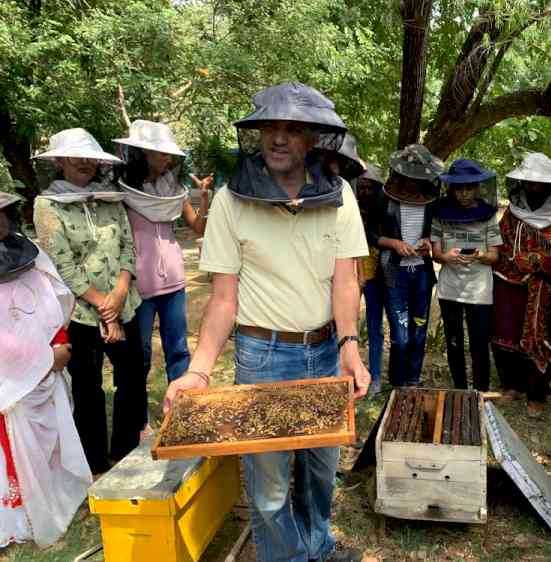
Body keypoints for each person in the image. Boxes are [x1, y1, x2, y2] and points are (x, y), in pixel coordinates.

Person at [162, 82, 370, 562]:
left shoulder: (339, 195)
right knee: (271, 484)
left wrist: (350, 346)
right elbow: (222, 299)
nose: (279, 139)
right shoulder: (233, 203)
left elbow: (345, 283)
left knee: (320, 469)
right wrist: (198, 369)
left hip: (323, 349)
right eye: (269, 128)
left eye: (292, 129)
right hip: (264, 355)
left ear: (312, 139)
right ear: (255, 135)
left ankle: (317, 547)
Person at [32, 128, 147, 477]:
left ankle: (126, 453)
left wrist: (121, 292)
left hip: (125, 305)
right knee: (87, 387)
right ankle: (95, 463)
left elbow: (127, 245)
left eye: (88, 156)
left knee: (131, 379)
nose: (84, 162)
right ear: (60, 161)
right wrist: (101, 303)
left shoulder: (111, 198)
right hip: (80, 314)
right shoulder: (47, 204)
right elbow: (60, 262)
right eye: (75, 156)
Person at [1, 191, 92, 547]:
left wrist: (59, 343)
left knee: (52, 440)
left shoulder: (29, 255)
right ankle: (21, 514)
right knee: (16, 450)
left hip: (48, 370)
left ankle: (58, 498)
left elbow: (53, 304)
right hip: (9, 388)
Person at [114, 120, 213, 390]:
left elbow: (198, 228)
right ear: (144, 153)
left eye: (169, 152)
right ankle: (139, 421)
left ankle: (181, 412)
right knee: (140, 355)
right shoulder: (120, 191)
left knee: (179, 351)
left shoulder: (173, 191)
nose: (167, 157)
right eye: (161, 152)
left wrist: (203, 198)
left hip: (174, 280)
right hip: (138, 285)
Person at [492, 153, 551, 417]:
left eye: (539, 183)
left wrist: (538, 262)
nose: (533, 187)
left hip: (546, 288)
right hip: (510, 282)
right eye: (528, 182)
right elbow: (501, 244)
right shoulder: (512, 213)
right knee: (506, 333)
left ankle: (537, 393)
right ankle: (512, 385)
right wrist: (516, 262)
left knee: (542, 336)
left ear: (550, 185)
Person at [366, 144, 444, 387]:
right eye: (409, 177)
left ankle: (412, 380)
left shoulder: (432, 201)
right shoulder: (383, 197)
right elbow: (369, 233)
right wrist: (393, 243)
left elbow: (436, 231)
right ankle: (397, 381)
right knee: (400, 334)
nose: (413, 182)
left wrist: (427, 241)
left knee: (419, 328)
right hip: (393, 273)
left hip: (421, 272)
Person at [431, 159, 500, 392]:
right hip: (450, 287)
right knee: (453, 342)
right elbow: (436, 253)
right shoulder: (440, 214)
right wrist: (446, 257)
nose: (463, 194)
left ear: (477, 188)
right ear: (451, 189)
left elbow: (494, 255)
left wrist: (480, 255)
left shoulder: (489, 215)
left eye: (468, 188)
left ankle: (480, 391)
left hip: (479, 289)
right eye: (459, 189)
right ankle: (460, 388)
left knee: (480, 342)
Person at [356, 163, 386, 395]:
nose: (365, 192)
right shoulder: (350, 209)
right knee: (346, 325)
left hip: (379, 275)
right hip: (352, 274)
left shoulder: (385, 212)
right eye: (362, 187)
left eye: (370, 188)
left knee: (375, 327)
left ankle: (375, 377)